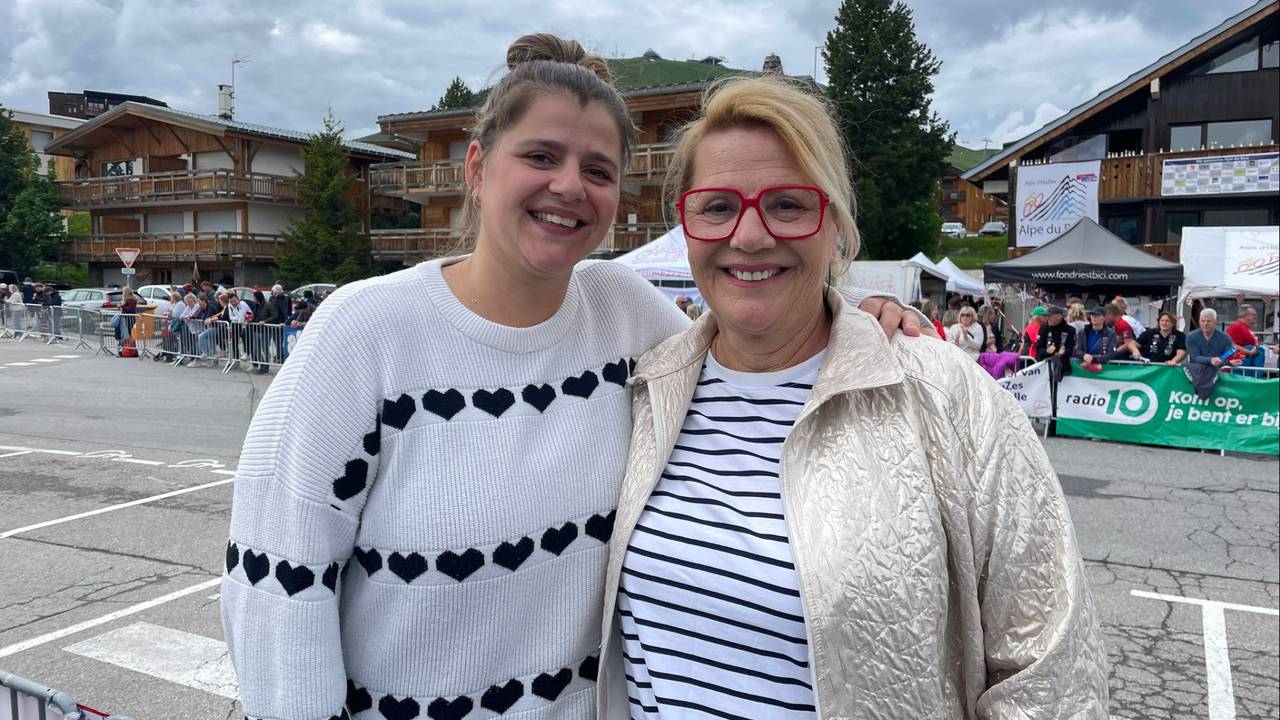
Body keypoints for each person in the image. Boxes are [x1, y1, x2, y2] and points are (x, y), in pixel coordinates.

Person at [220, 35, 925, 720]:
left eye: (597, 169)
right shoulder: (364, 332)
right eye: (540, 156)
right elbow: (278, 585)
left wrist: (854, 314)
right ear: (477, 166)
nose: (569, 186)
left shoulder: (627, 315)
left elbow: (752, 330)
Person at [598, 75, 1106, 720]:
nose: (749, 236)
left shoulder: (941, 394)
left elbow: (1050, 673)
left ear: (835, 225)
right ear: (688, 226)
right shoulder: (646, 388)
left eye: (787, 204)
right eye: (717, 206)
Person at [1186, 308, 1237, 399]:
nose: (1205, 323)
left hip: (1218, 375)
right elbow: (1195, 356)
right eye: (1203, 321)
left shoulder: (1225, 337)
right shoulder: (1191, 336)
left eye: (1209, 321)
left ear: (1215, 322)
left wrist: (1229, 362)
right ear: (1199, 322)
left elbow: (1227, 354)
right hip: (1196, 374)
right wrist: (1211, 360)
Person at [1075, 306, 1126, 371]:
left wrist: (1094, 359)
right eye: (1092, 315)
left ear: (1104, 318)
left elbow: (1111, 353)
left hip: (1104, 368)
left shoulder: (1111, 334)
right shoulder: (1082, 332)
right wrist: (1084, 355)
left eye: (1098, 315)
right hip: (1084, 366)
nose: (1094, 317)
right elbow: (1078, 350)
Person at [1035, 305, 1077, 381]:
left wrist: (1063, 353)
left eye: (1050, 316)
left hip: (1062, 369)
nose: (1048, 318)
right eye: (1047, 316)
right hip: (1044, 367)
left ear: (1059, 316)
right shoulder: (1044, 329)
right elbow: (1038, 348)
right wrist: (1047, 352)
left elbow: (1070, 350)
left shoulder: (1070, 330)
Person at [977, 304, 1020, 377]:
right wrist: (987, 343)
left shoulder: (994, 326)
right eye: (992, 314)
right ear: (987, 315)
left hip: (995, 354)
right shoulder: (978, 326)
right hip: (983, 355)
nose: (994, 316)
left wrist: (1002, 352)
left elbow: (999, 341)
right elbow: (978, 343)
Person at [1226, 305, 1264, 377]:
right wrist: (1249, 352)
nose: (1256, 317)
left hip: (1250, 365)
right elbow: (1230, 345)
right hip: (1240, 365)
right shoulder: (1236, 327)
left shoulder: (1246, 328)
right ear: (1243, 315)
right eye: (1253, 315)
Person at [249, 289, 278, 372]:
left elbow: (274, 315)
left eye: (253, 297)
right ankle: (262, 365)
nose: (252, 299)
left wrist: (265, 321)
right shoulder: (256, 306)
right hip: (256, 330)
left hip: (265, 331)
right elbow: (256, 317)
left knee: (264, 349)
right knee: (256, 349)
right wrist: (250, 320)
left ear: (258, 297)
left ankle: (265, 367)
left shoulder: (268, 305)